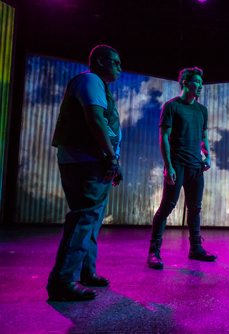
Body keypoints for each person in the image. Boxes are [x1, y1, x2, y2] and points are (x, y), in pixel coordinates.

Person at [47, 45, 123, 301]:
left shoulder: (100, 86)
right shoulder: (90, 80)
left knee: (91, 219)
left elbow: (107, 128)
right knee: (84, 218)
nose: (119, 67)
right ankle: (63, 280)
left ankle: (85, 272)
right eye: (115, 62)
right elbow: (95, 119)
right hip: (85, 161)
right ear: (100, 61)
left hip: (95, 161)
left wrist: (115, 160)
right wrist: (111, 157)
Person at [147, 66, 216, 269]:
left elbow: (203, 137)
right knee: (167, 207)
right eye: (196, 82)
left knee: (195, 208)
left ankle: (196, 248)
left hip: (196, 166)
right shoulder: (172, 107)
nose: (200, 87)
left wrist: (208, 156)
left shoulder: (202, 110)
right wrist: (168, 166)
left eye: (201, 84)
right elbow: (164, 138)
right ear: (185, 83)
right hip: (177, 164)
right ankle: (154, 252)